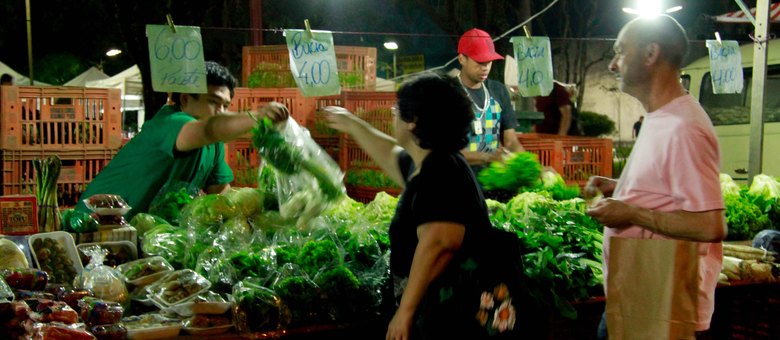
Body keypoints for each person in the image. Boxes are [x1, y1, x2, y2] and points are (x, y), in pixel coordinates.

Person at [321, 73, 541, 339]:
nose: (393, 115)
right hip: (443, 310)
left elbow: (440, 243)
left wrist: (405, 312)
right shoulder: (432, 162)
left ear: (413, 121)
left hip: (453, 316)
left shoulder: (440, 172)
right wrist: (353, 124)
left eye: (397, 110)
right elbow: (392, 155)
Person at [584, 15, 726, 339]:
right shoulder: (659, 117)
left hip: (663, 300)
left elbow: (710, 225)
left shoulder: (683, 126)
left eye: (620, 52)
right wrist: (621, 188)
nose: (613, 66)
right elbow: (667, 190)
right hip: (639, 291)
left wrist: (631, 212)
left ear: (650, 55)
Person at [75, 61, 289, 219]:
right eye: (214, 102)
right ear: (185, 99)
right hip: (97, 223)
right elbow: (206, 130)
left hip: (146, 233)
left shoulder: (214, 144)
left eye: (225, 105)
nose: (221, 112)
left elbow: (220, 192)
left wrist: (266, 205)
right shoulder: (170, 122)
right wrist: (256, 117)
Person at [456, 28, 524, 176]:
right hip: (459, 178)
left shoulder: (498, 91)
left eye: (489, 62)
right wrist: (486, 157)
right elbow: (443, 150)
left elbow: (511, 141)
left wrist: (534, 167)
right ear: (462, 59)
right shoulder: (446, 93)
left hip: (493, 178)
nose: (485, 67)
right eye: (480, 62)